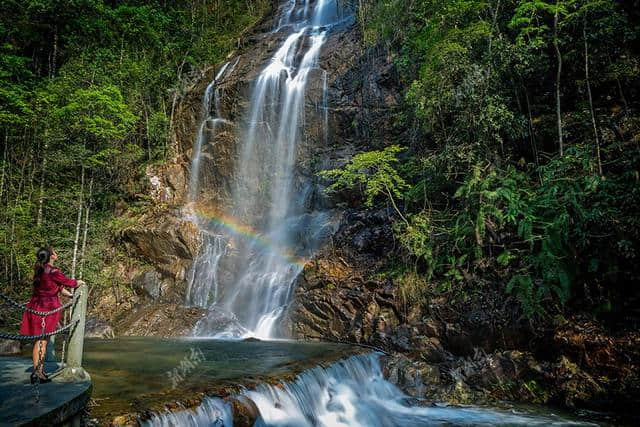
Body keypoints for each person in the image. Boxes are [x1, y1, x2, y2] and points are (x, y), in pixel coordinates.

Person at [20, 247, 84, 383]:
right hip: (47, 308)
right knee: (42, 340)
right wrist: (80, 283)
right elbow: (69, 282)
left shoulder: (41, 270)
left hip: (36, 306)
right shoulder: (54, 271)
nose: (57, 253)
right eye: (55, 252)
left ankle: (39, 371)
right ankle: (38, 373)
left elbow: (58, 287)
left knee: (40, 340)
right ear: (51, 256)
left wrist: (70, 295)